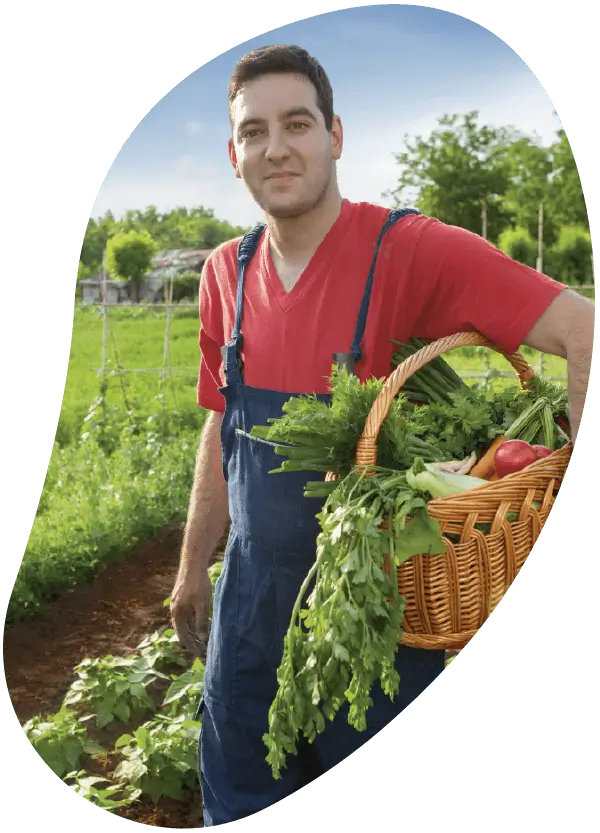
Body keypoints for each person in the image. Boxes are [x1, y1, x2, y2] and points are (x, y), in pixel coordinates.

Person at [171, 44, 594, 827]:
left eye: (297, 123)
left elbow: (584, 333)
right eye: (254, 131)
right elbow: (220, 425)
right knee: (237, 798)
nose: (277, 147)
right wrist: (195, 564)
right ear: (234, 155)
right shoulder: (224, 273)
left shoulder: (407, 248)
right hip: (250, 616)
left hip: (372, 621)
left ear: (335, 133)